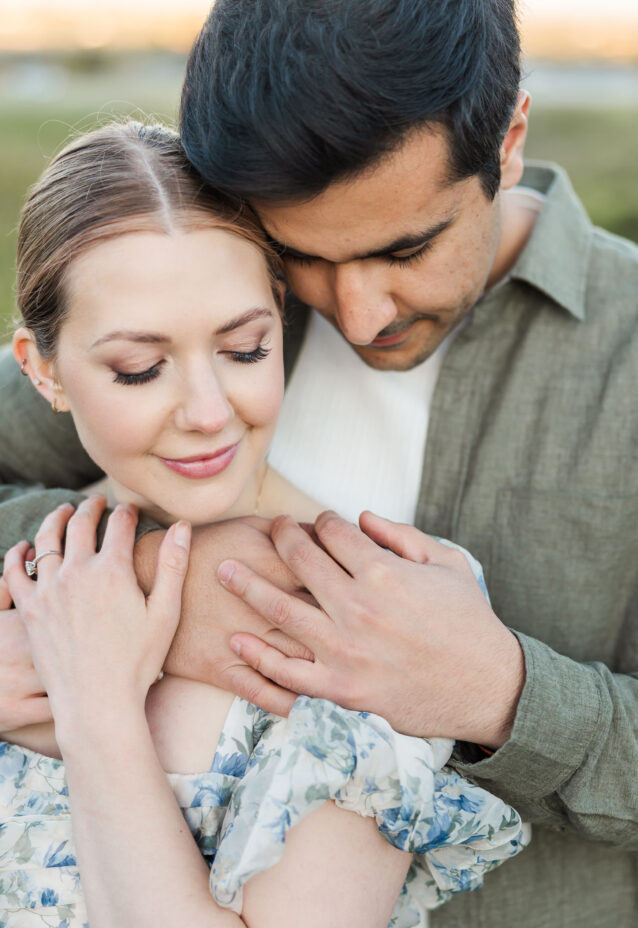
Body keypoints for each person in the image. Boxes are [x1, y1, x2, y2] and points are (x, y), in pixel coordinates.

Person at [0, 0, 638, 926]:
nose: (354, 312)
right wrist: (151, 586)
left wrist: (502, 693)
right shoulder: (208, 284)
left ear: (508, 138)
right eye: (304, 257)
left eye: (404, 249)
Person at [0, 120, 526, 928]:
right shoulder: (32, 577)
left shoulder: (366, 608)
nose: (209, 414)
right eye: (139, 369)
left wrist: (97, 710)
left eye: (244, 349)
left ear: (279, 317)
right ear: (41, 369)